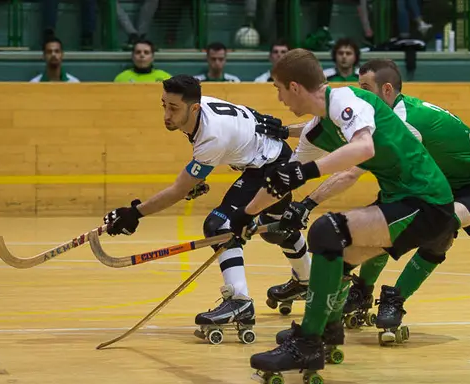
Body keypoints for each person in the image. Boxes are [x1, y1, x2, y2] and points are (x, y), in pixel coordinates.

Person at [226, 48, 455, 384]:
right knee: (339, 259)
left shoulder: (347, 101)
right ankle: (326, 331)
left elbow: (363, 148)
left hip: (427, 202)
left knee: (326, 231)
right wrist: (245, 216)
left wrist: (305, 174)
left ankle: (308, 343)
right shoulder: (315, 131)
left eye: (278, 89)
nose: (279, 98)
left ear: (294, 87)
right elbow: (284, 180)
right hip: (404, 200)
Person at [101, 75, 312, 344]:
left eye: (173, 108)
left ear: (194, 108)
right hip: (271, 156)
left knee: (219, 226)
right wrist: (195, 181)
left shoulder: (210, 135)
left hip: (270, 165)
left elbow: (178, 189)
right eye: (164, 105)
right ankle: (307, 282)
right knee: (275, 229)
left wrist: (135, 213)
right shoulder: (201, 111)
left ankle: (240, 301)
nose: (166, 115)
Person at [334, 58, 470, 329]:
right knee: (383, 223)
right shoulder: (389, 113)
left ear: (387, 90)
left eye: (365, 88)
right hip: (433, 180)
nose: (360, 94)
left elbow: (351, 171)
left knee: (442, 229)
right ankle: (362, 291)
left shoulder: (404, 120)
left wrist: (307, 202)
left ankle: (395, 299)